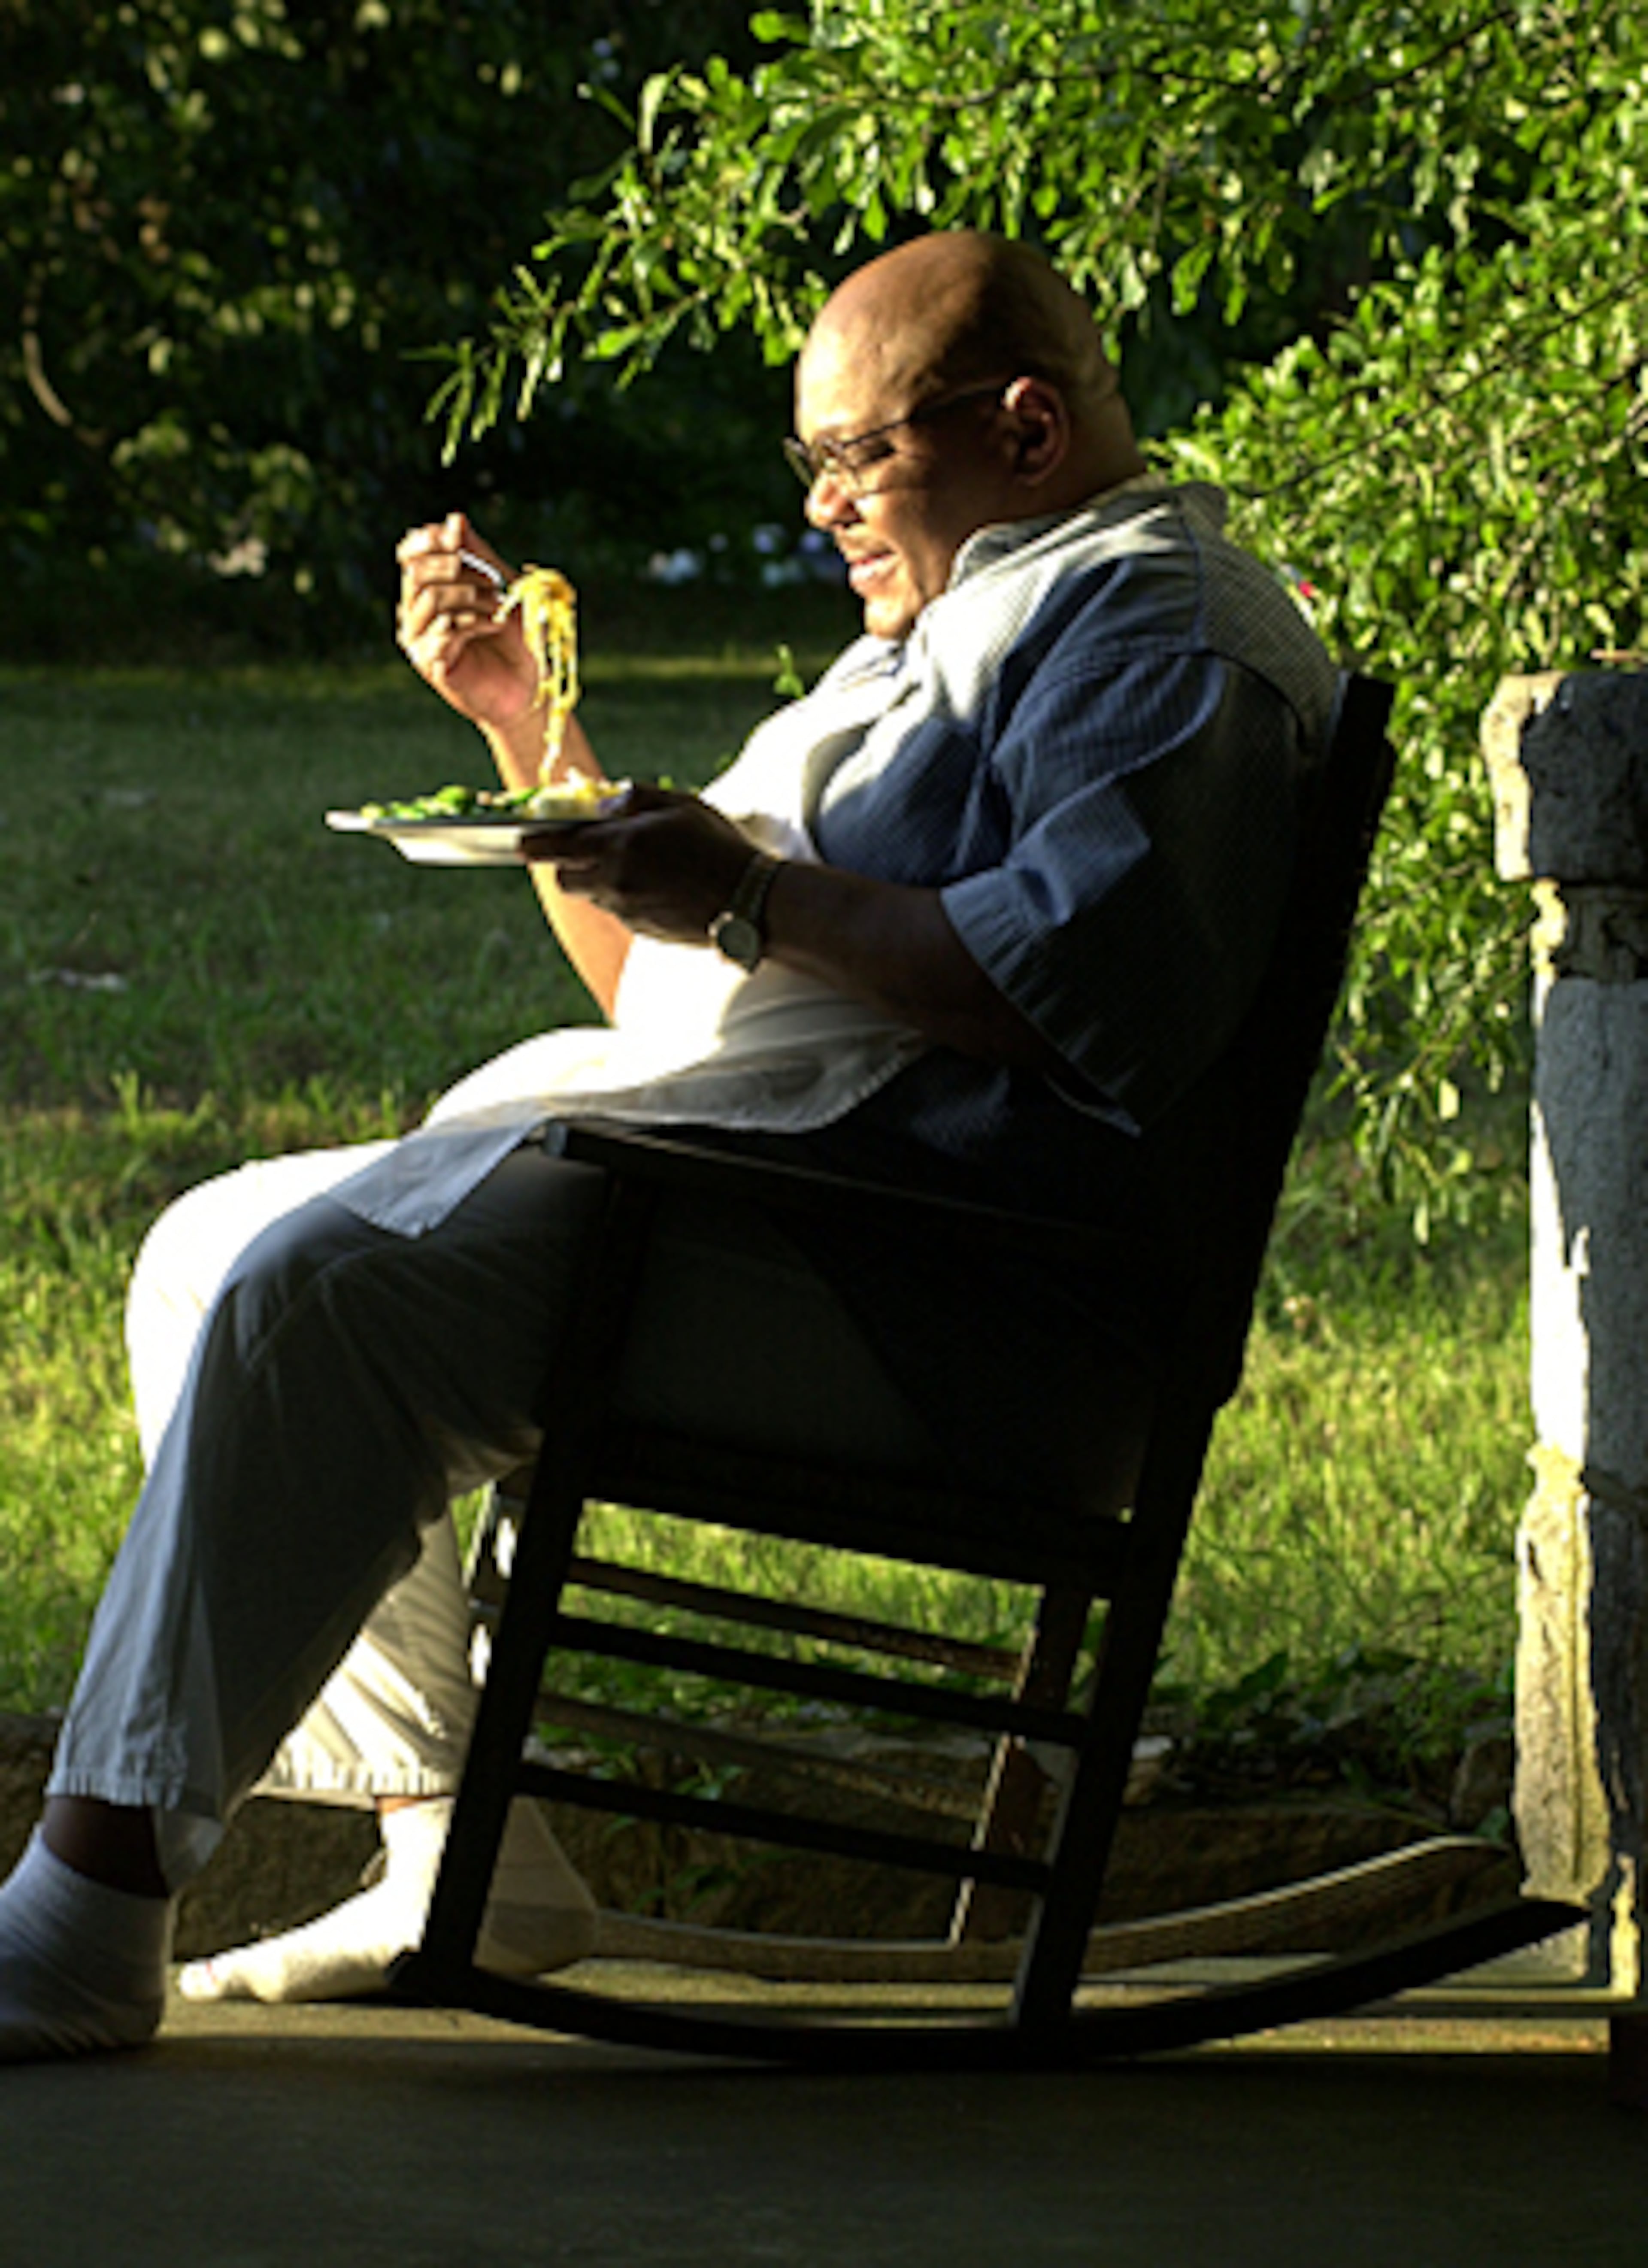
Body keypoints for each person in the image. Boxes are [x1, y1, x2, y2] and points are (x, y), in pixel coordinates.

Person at [0, 229, 1336, 2063]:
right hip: (776, 1196)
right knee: (204, 1251)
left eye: (854, 457)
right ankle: (460, 1849)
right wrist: (530, 728)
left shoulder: (1158, 628)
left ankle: (80, 1922)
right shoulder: (936, 636)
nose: (821, 507)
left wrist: (752, 891)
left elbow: (1068, 983)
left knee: (328, 1292)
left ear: (1027, 428)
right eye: (812, 462)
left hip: (956, 1292)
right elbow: (671, 984)